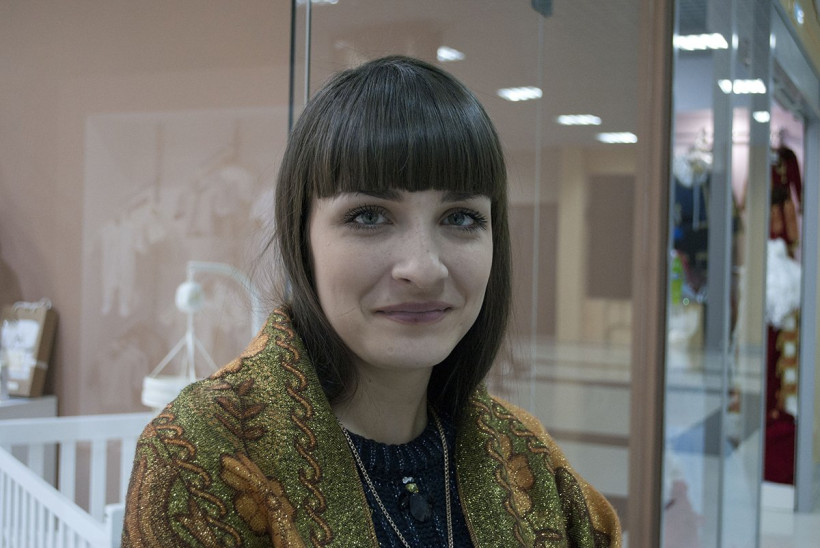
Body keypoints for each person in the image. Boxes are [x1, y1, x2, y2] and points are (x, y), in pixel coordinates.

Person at [121, 55, 621, 548]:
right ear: (302, 238)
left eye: (460, 218)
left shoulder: (528, 458)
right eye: (369, 216)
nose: (424, 268)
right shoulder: (202, 458)